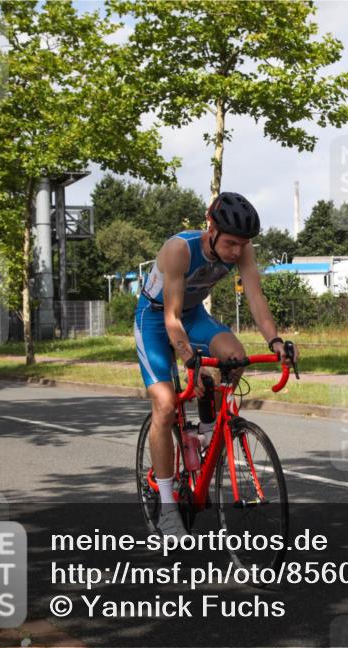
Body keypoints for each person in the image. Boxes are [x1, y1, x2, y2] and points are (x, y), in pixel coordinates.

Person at [134, 192, 299, 538]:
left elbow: (255, 297)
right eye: (231, 243)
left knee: (234, 357)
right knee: (165, 404)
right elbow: (171, 317)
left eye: (243, 244)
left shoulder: (243, 250)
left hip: (194, 316)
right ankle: (166, 508)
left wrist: (276, 342)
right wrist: (187, 358)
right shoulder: (179, 250)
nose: (237, 252)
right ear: (211, 228)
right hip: (156, 318)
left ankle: (209, 430)